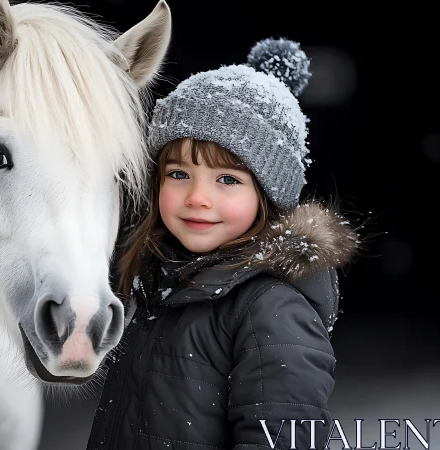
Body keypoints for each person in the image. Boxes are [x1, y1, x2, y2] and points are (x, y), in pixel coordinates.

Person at [87, 38, 360, 450]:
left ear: (268, 197)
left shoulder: (272, 309)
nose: (197, 197)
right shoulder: (159, 282)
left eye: (227, 180)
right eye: (178, 174)